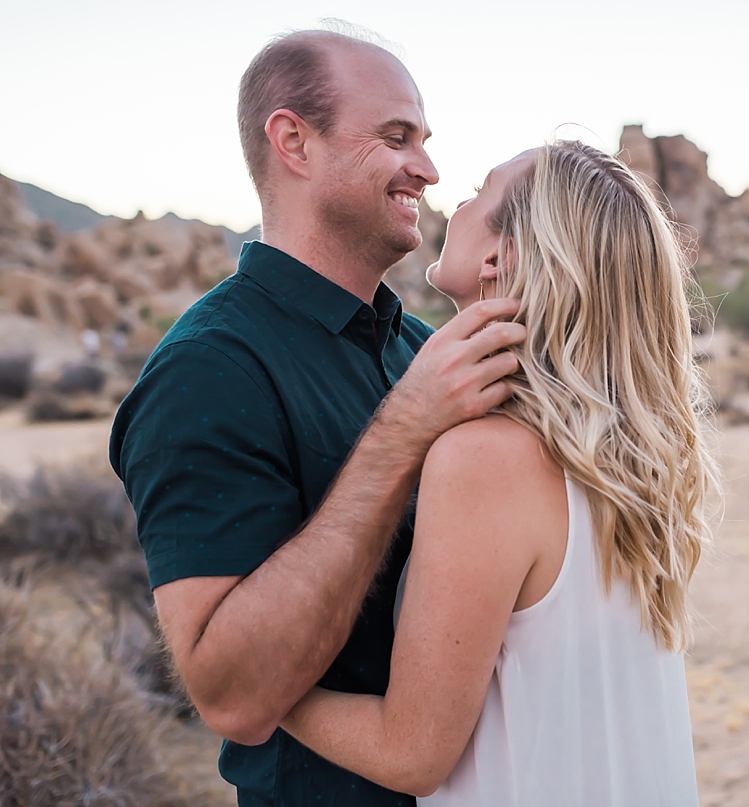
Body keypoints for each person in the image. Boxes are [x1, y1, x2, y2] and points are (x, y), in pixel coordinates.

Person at [109, 28, 525, 807]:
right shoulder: (206, 371)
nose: (430, 171)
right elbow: (232, 695)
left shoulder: (422, 348)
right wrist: (402, 431)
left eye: (425, 143)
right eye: (397, 137)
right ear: (293, 141)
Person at [279, 141, 720, 806]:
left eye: (479, 191)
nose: (453, 201)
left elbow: (412, 753)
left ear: (500, 256)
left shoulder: (489, 459)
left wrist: (260, 695)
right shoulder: (628, 455)